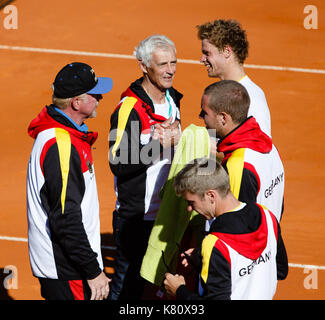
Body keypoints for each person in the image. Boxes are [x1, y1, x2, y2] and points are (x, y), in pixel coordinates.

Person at [26, 62, 113, 300]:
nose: (100, 98)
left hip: (68, 265)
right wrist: (92, 271)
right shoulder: (61, 146)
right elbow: (65, 218)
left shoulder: (65, 137)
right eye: (95, 94)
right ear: (76, 102)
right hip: (68, 269)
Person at [108, 34, 182, 300]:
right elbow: (117, 162)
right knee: (127, 287)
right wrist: (158, 147)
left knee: (158, 288)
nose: (170, 70)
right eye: (162, 64)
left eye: (173, 62)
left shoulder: (173, 99)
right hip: (137, 219)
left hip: (168, 215)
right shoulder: (129, 109)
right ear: (143, 65)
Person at [164, 157, 288, 300]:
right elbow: (281, 270)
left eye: (191, 202)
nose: (189, 209)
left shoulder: (215, 244)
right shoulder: (266, 215)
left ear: (211, 195)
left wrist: (179, 291)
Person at [200, 80, 284, 222]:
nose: (200, 116)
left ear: (223, 118)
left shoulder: (238, 166)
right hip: (271, 236)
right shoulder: (270, 147)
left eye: (205, 112)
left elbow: (236, 224)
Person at [197, 19, 271, 137]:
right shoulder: (222, 92)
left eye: (207, 53)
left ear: (227, 51)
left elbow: (257, 148)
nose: (202, 59)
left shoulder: (251, 97)